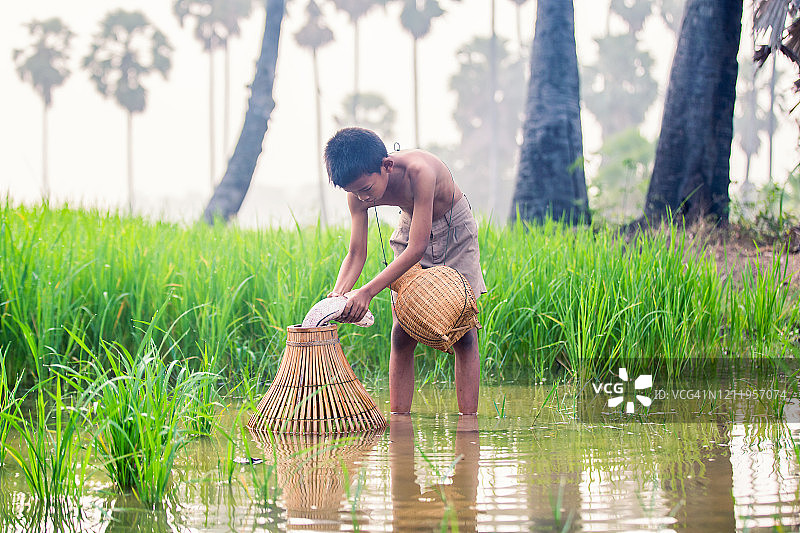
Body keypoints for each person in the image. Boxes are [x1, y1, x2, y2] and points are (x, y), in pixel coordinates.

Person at [324, 127, 487, 415]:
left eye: (366, 190)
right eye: (353, 192)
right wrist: (338, 297)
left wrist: (367, 292)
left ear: (386, 166)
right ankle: (399, 422)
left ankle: (468, 424)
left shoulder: (420, 172)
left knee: (464, 332)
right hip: (412, 225)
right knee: (402, 330)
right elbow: (356, 253)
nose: (362, 198)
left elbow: (417, 249)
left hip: (454, 230)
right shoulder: (357, 194)